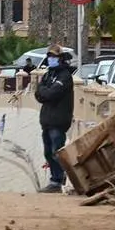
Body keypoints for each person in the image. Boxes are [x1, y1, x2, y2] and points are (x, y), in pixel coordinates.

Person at [34, 45, 74, 194]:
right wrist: (44, 92)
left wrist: (44, 92)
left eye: (54, 57)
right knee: (48, 152)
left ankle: (60, 179)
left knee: (56, 151)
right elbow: (39, 93)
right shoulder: (48, 75)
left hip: (58, 120)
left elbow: (51, 93)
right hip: (47, 120)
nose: (51, 59)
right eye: (50, 56)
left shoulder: (65, 76)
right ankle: (55, 180)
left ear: (60, 58)